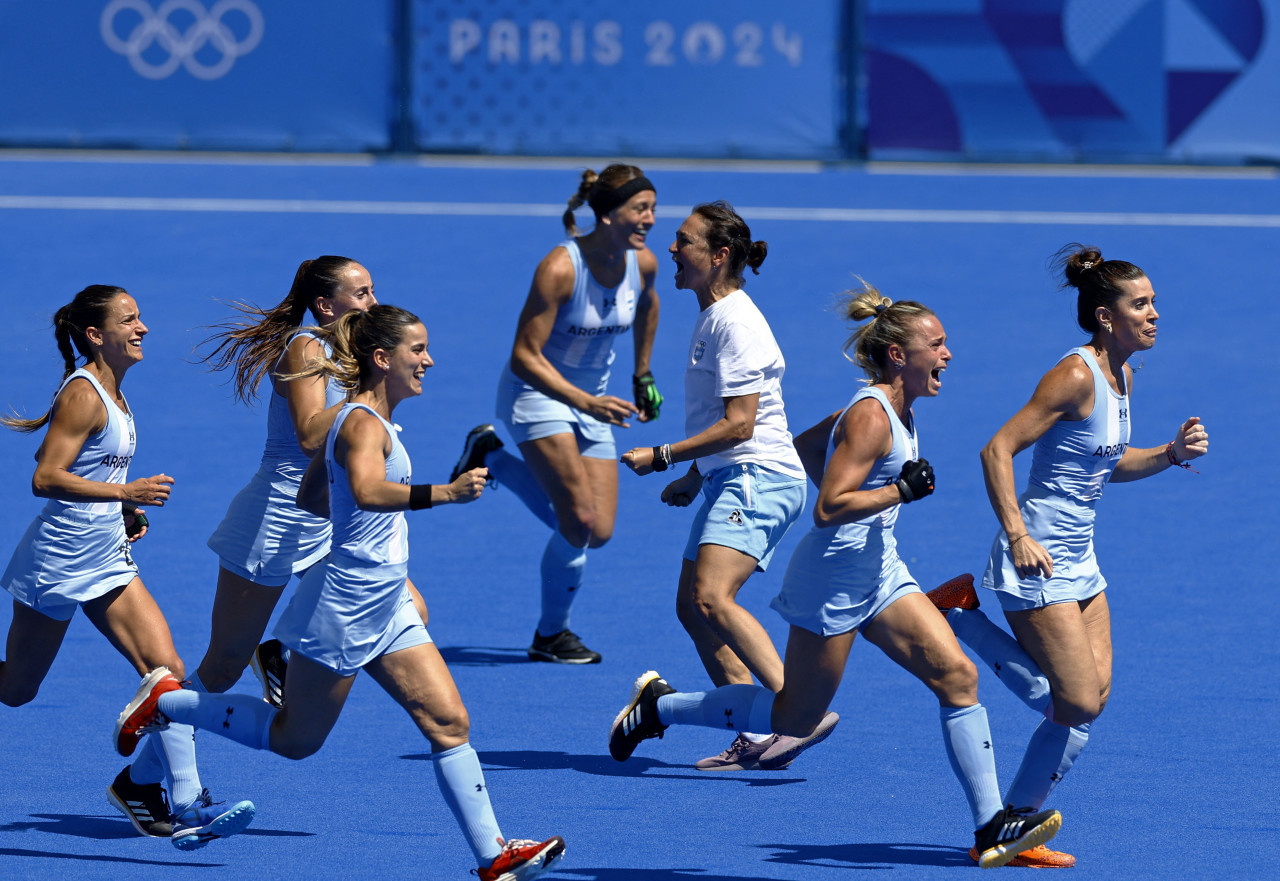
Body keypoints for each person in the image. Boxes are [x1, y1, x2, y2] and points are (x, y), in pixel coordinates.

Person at [611, 283, 1063, 868]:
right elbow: (827, 507)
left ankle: (989, 828)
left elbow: (799, 449)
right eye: (938, 345)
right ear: (900, 355)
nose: (948, 355)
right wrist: (896, 489)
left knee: (957, 677)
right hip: (832, 583)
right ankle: (658, 708)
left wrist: (700, 476)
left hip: (881, 570)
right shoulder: (873, 417)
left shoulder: (886, 410)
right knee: (791, 717)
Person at [113, 305, 565, 880]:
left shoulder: (363, 421)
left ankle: (493, 856)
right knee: (294, 740)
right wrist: (446, 494)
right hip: (347, 605)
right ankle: (168, 703)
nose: (428, 360)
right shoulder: (361, 425)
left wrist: (351, 507)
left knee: (449, 723)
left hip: (388, 599)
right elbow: (370, 490)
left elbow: (311, 496)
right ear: (383, 359)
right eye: (417, 350)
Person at [926, 244, 1208, 868]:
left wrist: (1170, 455)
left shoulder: (1123, 375)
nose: (1154, 314)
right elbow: (996, 450)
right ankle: (958, 613)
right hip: (1037, 560)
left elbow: (1108, 466)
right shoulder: (1075, 375)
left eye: (1154, 302)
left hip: (1081, 560)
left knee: (1093, 698)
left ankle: (1016, 829)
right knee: (1075, 703)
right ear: (1106, 317)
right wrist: (1018, 534)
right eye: (1141, 304)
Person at [0, 284, 254, 849]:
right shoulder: (84, 395)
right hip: (58, 562)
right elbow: (45, 477)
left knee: (167, 668)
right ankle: (164, 793)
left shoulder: (116, 392)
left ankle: (182, 801)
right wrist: (122, 489)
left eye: (140, 318)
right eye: (129, 320)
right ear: (96, 335)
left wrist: (122, 505)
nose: (142, 328)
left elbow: (89, 473)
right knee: (16, 689)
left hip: (107, 557)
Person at [619, 201, 834, 771]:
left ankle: (799, 709)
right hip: (732, 476)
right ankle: (756, 732)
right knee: (693, 609)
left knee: (713, 597)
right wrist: (696, 474)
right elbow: (729, 420)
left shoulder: (735, 321)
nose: (671, 249)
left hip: (758, 478)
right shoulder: (713, 316)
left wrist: (664, 456)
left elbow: (741, 424)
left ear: (718, 257)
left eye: (683, 241)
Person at [194, 256, 430, 710]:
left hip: (325, 517)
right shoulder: (308, 347)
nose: (374, 302)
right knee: (222, 669)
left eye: (373, 290)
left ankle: (280, 650)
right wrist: (365, 401)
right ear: (325, 305)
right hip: (275, 522)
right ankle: (147, 765)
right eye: (362, 294)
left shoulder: (352, 352)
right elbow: (307, 433)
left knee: (411, 610)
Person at [448, 164, 661, 665]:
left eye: (653, 208)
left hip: (596, 401)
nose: (651, 219)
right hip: (536, 394)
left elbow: (648, 307)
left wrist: (643, 373)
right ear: (607, 215)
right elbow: (525, 353)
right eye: (640, 208)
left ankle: (491, 459)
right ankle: (551, 636)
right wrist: (584, 402)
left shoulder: (642, 263)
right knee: (579, 520)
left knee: (598, 531)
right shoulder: (561, 268)